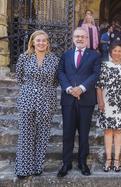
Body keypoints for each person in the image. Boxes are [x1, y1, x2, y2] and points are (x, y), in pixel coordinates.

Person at [57, 27, 101, 177]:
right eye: (77, 36)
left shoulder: (94, 56)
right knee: (67, 133)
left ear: (87, 39)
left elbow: (96, 74)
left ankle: (83, 163)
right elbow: (61, 72)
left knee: (84, 133)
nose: (80, 39)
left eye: (82, 36)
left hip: (86, 100)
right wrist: (69, 88)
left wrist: (81, 88)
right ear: (73, 38)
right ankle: (66, 163)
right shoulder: (66, 55)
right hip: (68, 99)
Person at [15, 30, 59, 179]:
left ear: (48, 43)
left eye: (44, 41)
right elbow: (19, 78)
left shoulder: (53, 59)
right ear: (32, 42)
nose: (41, 43)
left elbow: (55, 81)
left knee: (43, 134)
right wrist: (31, 89)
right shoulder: (24, 57)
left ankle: (37, 167)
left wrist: (43, 89)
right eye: (38, 40)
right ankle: (23, 168)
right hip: (28, 99)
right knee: (26, 134)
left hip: (47, 99)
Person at [96, 41, 121, 172]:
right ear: (111, 52)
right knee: (108, 131)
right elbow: (99, 86)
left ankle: (116, 160)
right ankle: (108, 160)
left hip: (120, 104)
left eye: (119, 51)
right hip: (106, 103)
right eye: (115, 51)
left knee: (118, 131)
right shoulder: (104, 66)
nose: (117, 53)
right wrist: (100, 102)